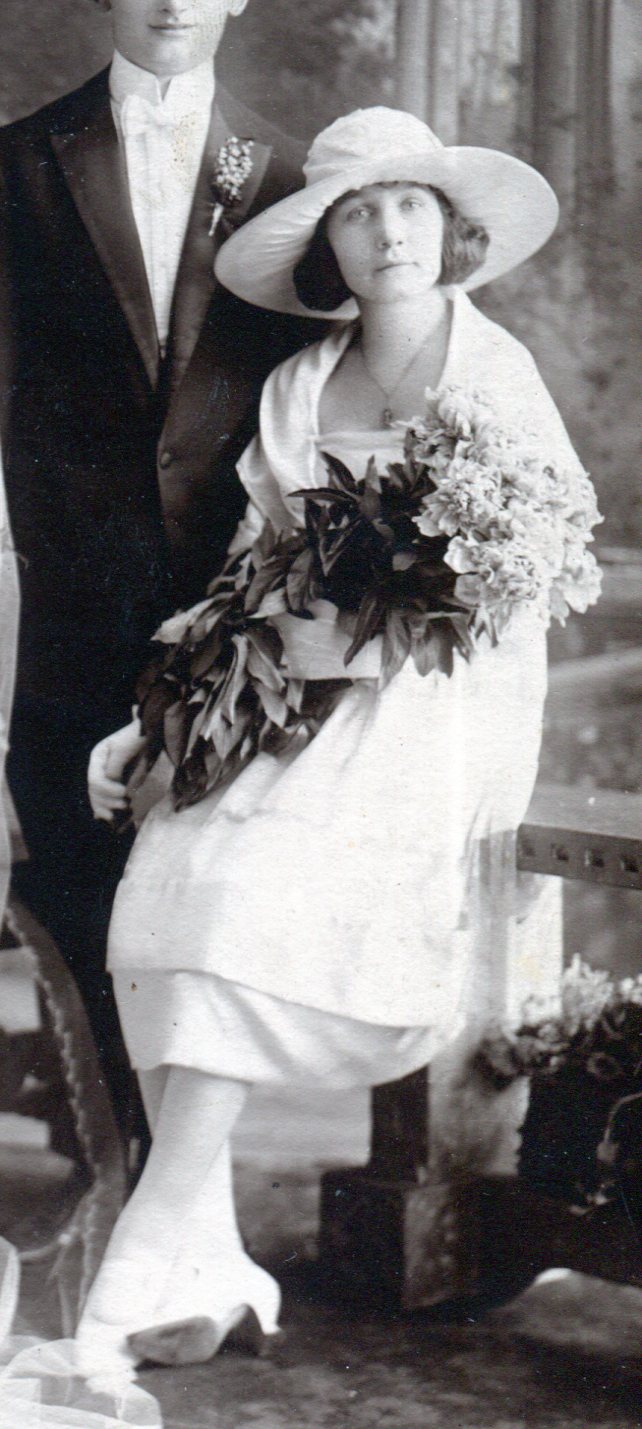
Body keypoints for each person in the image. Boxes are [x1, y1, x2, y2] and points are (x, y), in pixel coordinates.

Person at [76, 107, 590, 1380]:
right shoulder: (301, 385)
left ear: (450, 224)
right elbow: (256, 576)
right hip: (290, 693)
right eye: (357, 213)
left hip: (436, 708)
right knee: (157, 902)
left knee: (242, 900)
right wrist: (151, 717)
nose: (389, 231)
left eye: (410, 203)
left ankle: (142, 1256)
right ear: (330, 248)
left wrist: (353, 654)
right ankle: (209, 1254)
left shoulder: (494, 372)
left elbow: (526, 582)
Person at [0, 0, 321, 1130]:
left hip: (235, 623)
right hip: (69, 612)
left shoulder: (288, 176)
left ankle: (182, 1206)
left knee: (209, 925)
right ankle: (118, 1179)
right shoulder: (21, 162)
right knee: (82, 899)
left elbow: (310, 407)